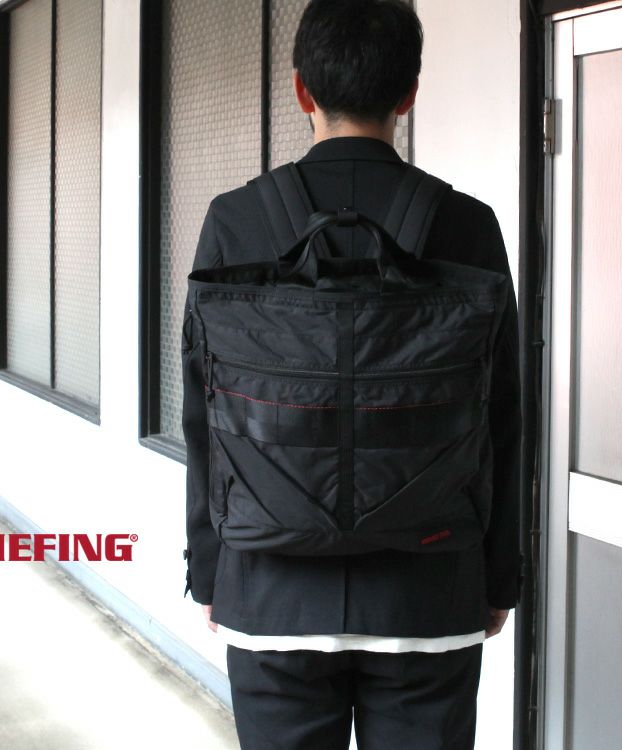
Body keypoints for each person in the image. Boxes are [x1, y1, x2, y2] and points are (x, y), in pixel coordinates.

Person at [180, 1, 523, 748]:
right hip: (430, 594)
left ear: (301, 89)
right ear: (410, 93)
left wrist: (210, 570)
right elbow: (503, 417)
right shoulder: (468, 225)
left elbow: (204, 417)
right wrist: (499, 577)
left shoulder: (235, 220)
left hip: (270, 591)